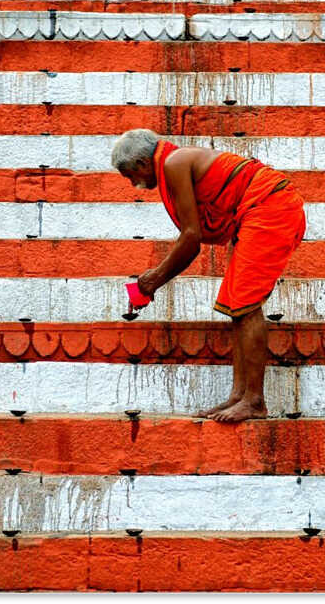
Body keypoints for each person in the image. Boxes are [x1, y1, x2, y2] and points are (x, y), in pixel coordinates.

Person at [111, 128, 306, 422]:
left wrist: (153, 280)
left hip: (268, 206)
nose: (133, 183)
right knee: (237, 306)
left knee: (245, 303)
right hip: (254, 211)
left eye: (130, 176)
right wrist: (154, 279)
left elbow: (191, 238)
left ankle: (254, 400)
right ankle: (239, 396)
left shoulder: (173, 163)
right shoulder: (174, 162)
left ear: (141, 163)